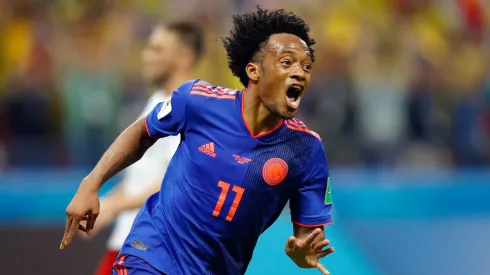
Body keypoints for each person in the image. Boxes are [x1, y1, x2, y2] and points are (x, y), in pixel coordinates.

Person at [61, 7, 335, 275]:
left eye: (307, 65)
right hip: (152, 254)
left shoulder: (307, 149)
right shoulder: (198, 101)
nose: (300, 72)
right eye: (286, 62)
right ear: (254, 71)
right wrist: (91, 183)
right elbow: (142, 132)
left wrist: (301, 253)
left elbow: (309, 234)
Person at [80, 21, 204, 275]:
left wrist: (112, 206)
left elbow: (175, 181)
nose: (147, 56)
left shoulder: (190, 108)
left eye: (158, 49)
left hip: (153, 247)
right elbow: (143, 175)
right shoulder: (157, 101)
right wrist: (107, 202)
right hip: (129, 239)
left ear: (184, 57)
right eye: (148, 48)